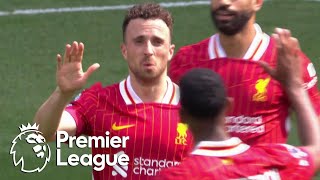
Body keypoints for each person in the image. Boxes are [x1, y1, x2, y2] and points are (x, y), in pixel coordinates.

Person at [33, 3, 193, 179]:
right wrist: (62, 93)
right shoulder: (98, 102)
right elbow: (41, 133)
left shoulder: (195, 107)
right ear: (124, 50)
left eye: (157, 42)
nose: (148, 51)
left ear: (170, 51)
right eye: (139, 41)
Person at [158, 32, 320, 179]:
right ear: (228, 106)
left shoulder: (176, 176)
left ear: (182, 116)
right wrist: (294, 87)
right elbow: (317, 151)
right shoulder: (275, 162)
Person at [169, 0, 320, 144]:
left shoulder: (285, 60)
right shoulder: (186, 60)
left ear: (257, 2)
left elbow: (316, 126)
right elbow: (168, 124)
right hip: (206, 170)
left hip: (264, 170)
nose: (224, 2)